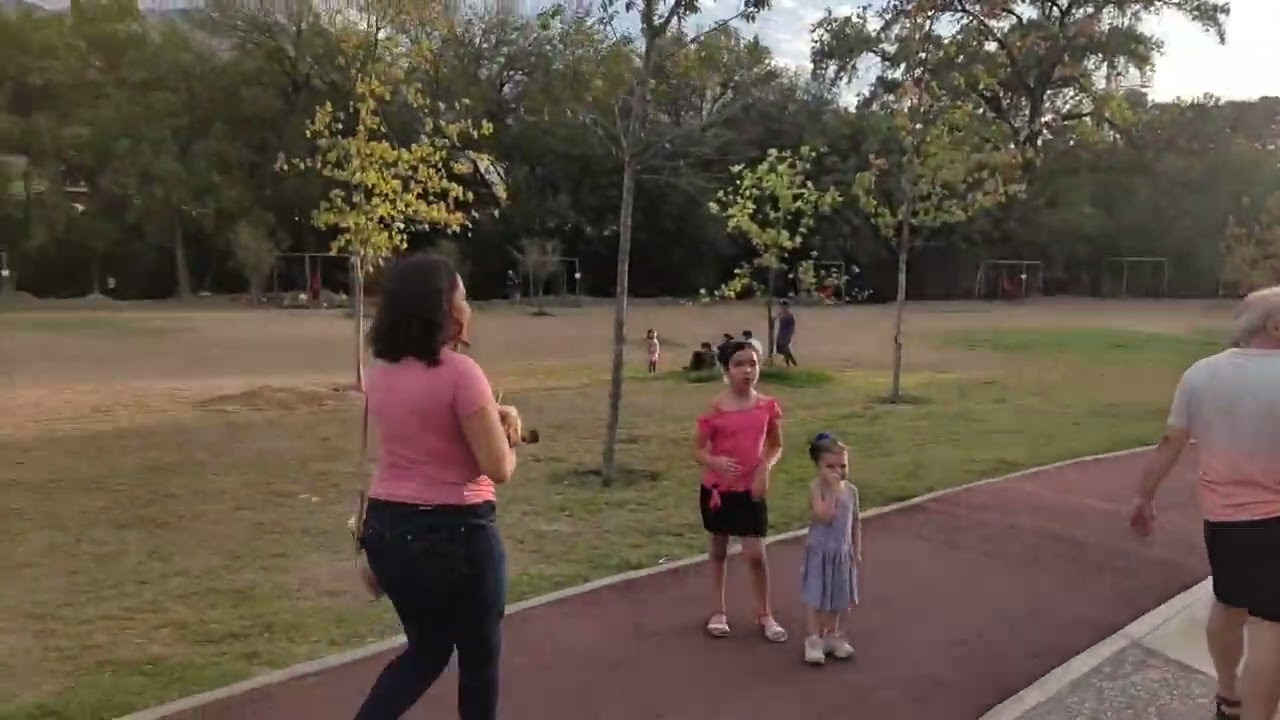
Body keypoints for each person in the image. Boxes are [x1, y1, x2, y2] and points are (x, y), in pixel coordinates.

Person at [355, 253, 522, 720]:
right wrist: (510, 436)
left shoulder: (380, 372)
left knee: (425, 652)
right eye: (463, 299)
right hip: (457, 535)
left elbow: (420, 441)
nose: (469, 309)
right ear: (443, 309)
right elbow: (496, 468)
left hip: (389, 529)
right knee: (478, 661)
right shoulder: (461, 374)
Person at [1129, 286, 1280, 720]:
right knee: (1271, 627)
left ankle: (1228, 695)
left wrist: (1143, 496)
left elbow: (1170, 442)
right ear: (1274, 325)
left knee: (1229, 602)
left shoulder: (1200, 373)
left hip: (1223, 520)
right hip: (1276, 522)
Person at [692, 340, 787, 643]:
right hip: (719, 490)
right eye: (739, 364)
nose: (747, 370)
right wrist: (715, 461)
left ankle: (765, 614)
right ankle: (718, 611)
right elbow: (697, 450)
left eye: (753, 364)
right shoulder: (715, 409)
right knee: (719, 549)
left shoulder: (767, 407)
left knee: (755, 555)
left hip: (751, 491)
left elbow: (775, 445)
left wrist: (764, 468)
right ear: (726, 370)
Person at [801, 432, 861, 665]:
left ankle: (832, 635)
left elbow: (855, 521)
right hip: (820, 553)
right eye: (830, 466)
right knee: (816, 596)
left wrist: (856, 549)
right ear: (818, 466)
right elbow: (824, 515)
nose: (838, 471)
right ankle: (813, 639)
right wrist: (835, 492)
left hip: (841, 553)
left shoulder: (852, 491)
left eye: (843, 465)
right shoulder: (817, 488)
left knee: (838, 597)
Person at [776, 301, 798, 367]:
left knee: (785, 347)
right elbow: (774, 319)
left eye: (784, 306)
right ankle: (792, 361)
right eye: (782, 306)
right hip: (780, 333)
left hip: (787, 333)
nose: (783, 307)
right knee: (780, 348)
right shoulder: (780, 314)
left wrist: (790, 334)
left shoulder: (790, 315)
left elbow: (792, 326)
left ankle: (788, 363)